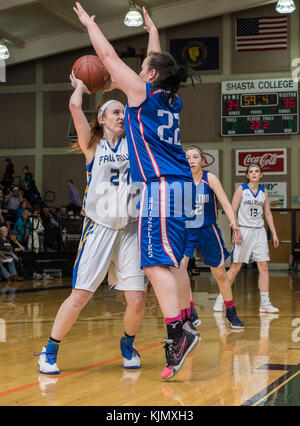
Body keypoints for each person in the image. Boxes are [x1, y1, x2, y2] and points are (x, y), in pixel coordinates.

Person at [73, 2, 200, 379]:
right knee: (174, 261)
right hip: (181, 189)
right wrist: (152, 33)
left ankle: (178, 332)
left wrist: (87, 24)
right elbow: (156, 61)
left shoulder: (143, 95)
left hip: (161, 188)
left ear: (152, 75)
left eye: (144, 67)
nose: (138, 69)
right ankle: (188, 319)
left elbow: (107, 55)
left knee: (152, 263)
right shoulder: (170, 98)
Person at [35, 73, 146, 375]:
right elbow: (74, 106)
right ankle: (50, 350)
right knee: (81, 295)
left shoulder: (133, 143)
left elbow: (142, 105)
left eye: (123, 112)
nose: (122, 116)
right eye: (116, 112)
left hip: (130, 229)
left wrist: (122, 84)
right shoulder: (92, 146)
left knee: (136, 299)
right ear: (102, 118)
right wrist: (81, 86)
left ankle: (127, 344)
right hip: (98, 227)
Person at [181, 147, 244, 329]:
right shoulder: (180, 179)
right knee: (181, 271)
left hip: (208, 229)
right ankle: (189, 310)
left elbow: (224, 201)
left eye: (195, 157)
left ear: (202, 160)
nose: (191, 160)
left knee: (219, 273)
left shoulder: (210, 178)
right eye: (188, 158)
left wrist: (234, 224)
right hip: (186, 230)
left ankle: (231, 312)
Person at [213, 163, 279, 313]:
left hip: (260, 232)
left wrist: (274, 232)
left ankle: (265, 303)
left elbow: (267, 213)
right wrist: (235, 231)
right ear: (248, 175)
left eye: (257, 171)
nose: (254, 173)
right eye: (251, 171)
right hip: (243, 230)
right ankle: (220, 299)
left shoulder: (264, 191)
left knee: (263, 266)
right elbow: (232, 210)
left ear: (261, 175)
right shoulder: (241, 189)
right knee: (236, 267)